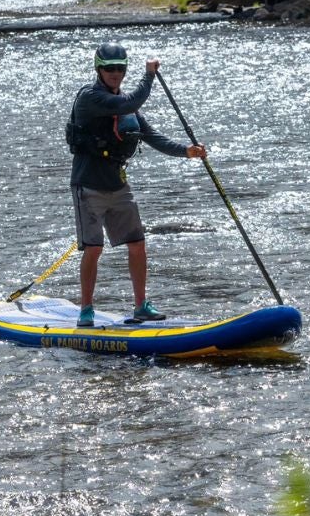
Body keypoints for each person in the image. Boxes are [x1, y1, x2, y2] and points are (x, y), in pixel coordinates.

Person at [65, 43, 205, 327]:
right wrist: (149, 75)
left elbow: (152, 137)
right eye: (109, 69)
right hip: (88, 186)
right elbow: (130, 103)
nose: (115, 73)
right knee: (94, 249)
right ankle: (86, 309)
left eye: (120, 68)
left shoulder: (126, 105)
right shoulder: (91, 98)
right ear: (98, 69)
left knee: (138, 244)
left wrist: (186, 151)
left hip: (117, 185)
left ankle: (141, 305)